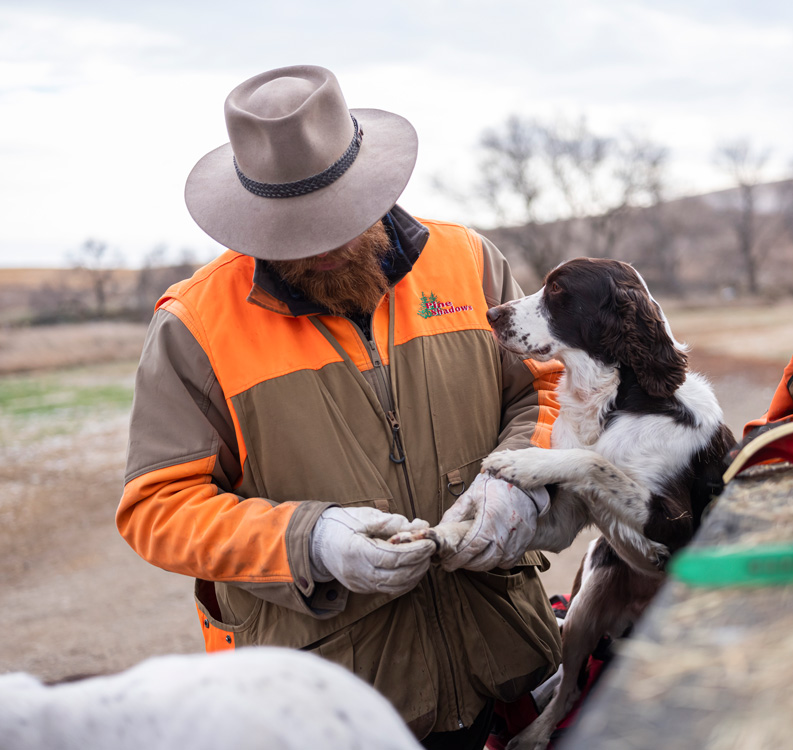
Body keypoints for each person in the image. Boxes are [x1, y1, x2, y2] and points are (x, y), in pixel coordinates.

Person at [116, 65, 563, 749]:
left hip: (512, 668)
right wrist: (312, 541)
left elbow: (547, 389)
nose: (322, 248)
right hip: (327, 714)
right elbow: (159, 508)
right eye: (293, 231)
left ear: (374, 186)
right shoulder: (195, 325)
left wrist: (519, 479)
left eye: (336, 219)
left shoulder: (469, 262)